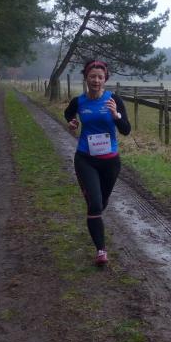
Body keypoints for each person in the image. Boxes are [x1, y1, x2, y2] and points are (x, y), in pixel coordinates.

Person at [64, 59, 131, 266]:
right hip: (86, 159)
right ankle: (101, 251)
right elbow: (68, 114)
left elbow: (126, 130)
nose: (96, 80)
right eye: (92, 76)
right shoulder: (79, 101)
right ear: (86, 78)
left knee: (101, 203)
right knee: (94, 204)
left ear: (105, 79)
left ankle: (96, 217)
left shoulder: (114, 100)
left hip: (111, 162)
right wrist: (72, 122)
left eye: (100, 77)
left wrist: (116, 115)